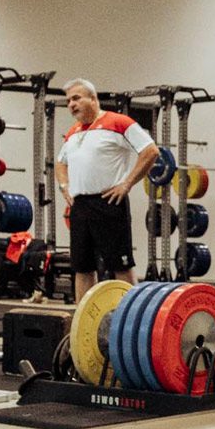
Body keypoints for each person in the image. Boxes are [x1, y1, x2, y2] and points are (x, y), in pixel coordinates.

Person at [54, 80, 158, 298]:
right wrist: (64, 186)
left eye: (76, 98)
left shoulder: (119, 122)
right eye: (69, 100)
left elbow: (150, 151)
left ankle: (131, 314)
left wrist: (127, 184)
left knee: (120, 265)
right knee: (82, 267)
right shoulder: (73, 132)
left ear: (93, 99)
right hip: (80, 205)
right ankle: (83, 317)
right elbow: (60, 162)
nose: (71, 104)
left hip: (109, 202)